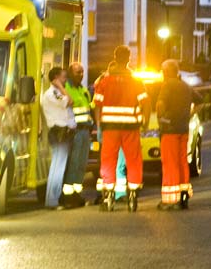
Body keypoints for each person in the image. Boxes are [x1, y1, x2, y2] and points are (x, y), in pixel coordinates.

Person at [94, 46, 151, 212]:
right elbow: (146, 103)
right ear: (128, 59)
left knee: (108, 160)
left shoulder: (105, 81)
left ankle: (109, 196)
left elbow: (97, 105)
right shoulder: (136, 81)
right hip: (131, 126)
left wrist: (99, 123)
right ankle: (133, 194)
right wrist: (145, 123)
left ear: (115, 57)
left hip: (110, 127)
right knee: (133, 160)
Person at [156, 59, 204, 210]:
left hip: (169, 129)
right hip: (183, 129)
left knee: (170, 163)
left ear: (166, 71)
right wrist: (189, 115)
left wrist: (161, 118)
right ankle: (184, 195)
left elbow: (160, 105)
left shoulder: (167, 85)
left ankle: (171, 200)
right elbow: (200, 101)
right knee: (182, 161)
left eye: (163, 71)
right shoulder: (185, 86)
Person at [91, 61, 128, 204]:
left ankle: (118, 193)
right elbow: (97, 106)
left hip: (118, 128)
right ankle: (105, 193)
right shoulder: (102, 83)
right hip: (108, 128)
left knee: (119, 163)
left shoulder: (116, 84)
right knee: (108, 162)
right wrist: (99, 125)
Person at [41, 66, 76, 209]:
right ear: (55, 79)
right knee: (57, 167)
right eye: (63, 77)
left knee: (59, 166)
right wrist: (61, 87)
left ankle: (54, 199)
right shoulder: (52, 94)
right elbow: (69, 101)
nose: (65, 79)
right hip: (59, 133)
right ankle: (52, 200)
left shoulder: (55, 93)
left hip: (64, 133)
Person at [61, 62, 92, 208]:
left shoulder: (83, 90)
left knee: (81, 165)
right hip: (75, 132)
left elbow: (89, 109)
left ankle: (77, 194)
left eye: (82, 72)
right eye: (77, 72)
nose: (80, 75)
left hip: (85, 131)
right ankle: (67, 197)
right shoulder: (66, 89)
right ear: (70, 73)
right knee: (73, 164)